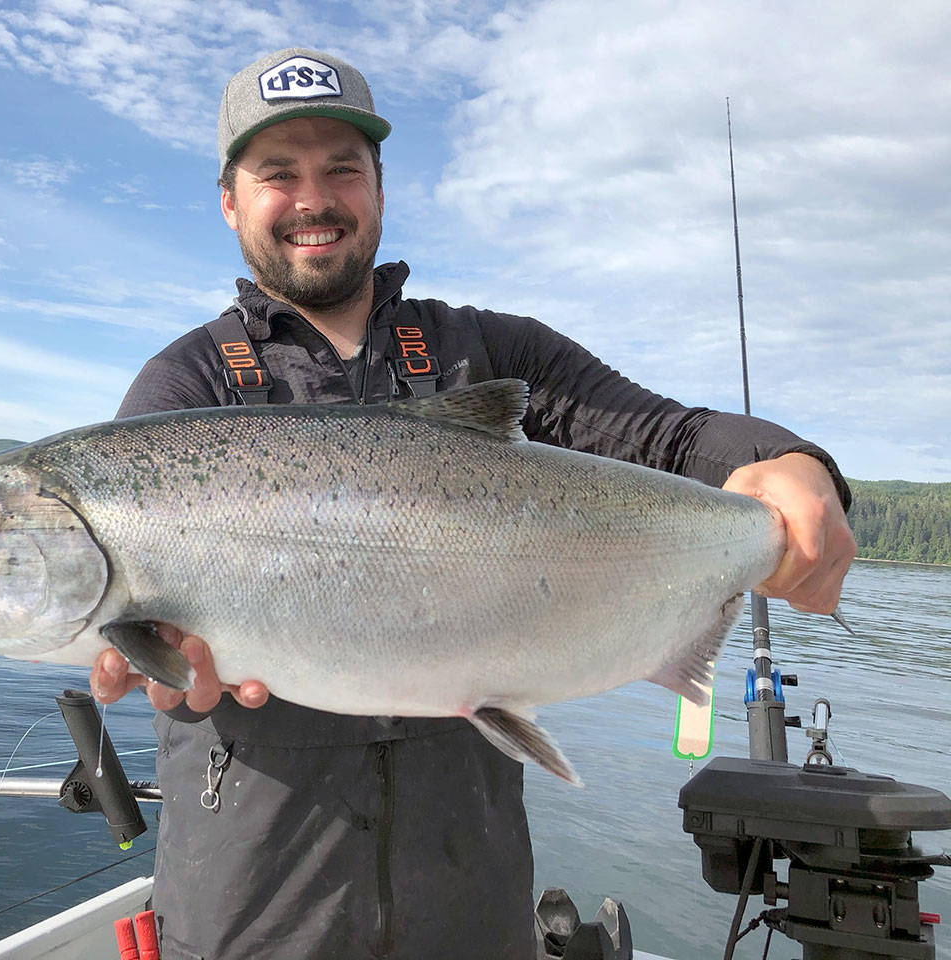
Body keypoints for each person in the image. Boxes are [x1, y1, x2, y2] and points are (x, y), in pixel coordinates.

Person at [91, 47, 856, 960]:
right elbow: (152, 644)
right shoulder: (184, 387)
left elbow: (674, 438)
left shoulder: (492, 350)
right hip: (251, 909)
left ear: (378, 185)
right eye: (278, 174)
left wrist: (793, 464)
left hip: (472, 905)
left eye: (342, 167)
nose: (313, 199)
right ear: (230, 200)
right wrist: (157, 671)